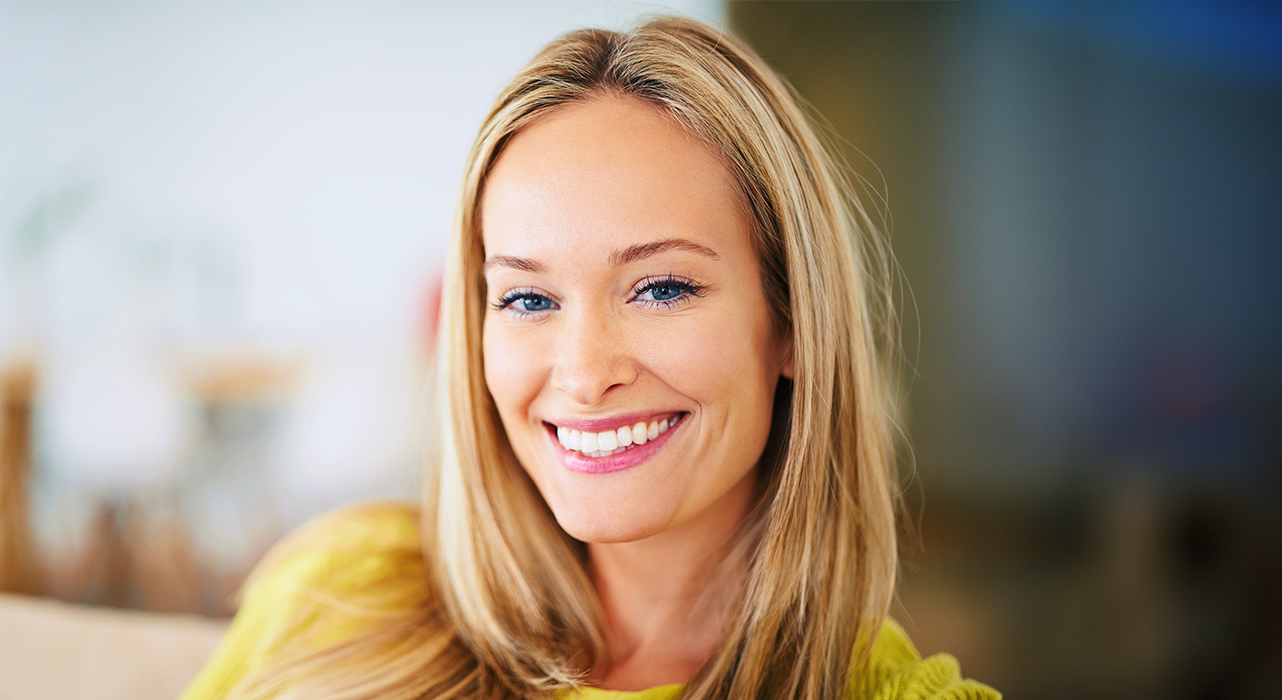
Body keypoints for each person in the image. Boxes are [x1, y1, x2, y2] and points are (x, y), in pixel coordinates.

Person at [180, 16, 998, 700]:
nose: (581, 372)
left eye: (661, 288)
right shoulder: (338, 592)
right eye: (528, 299)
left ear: (791, 325)